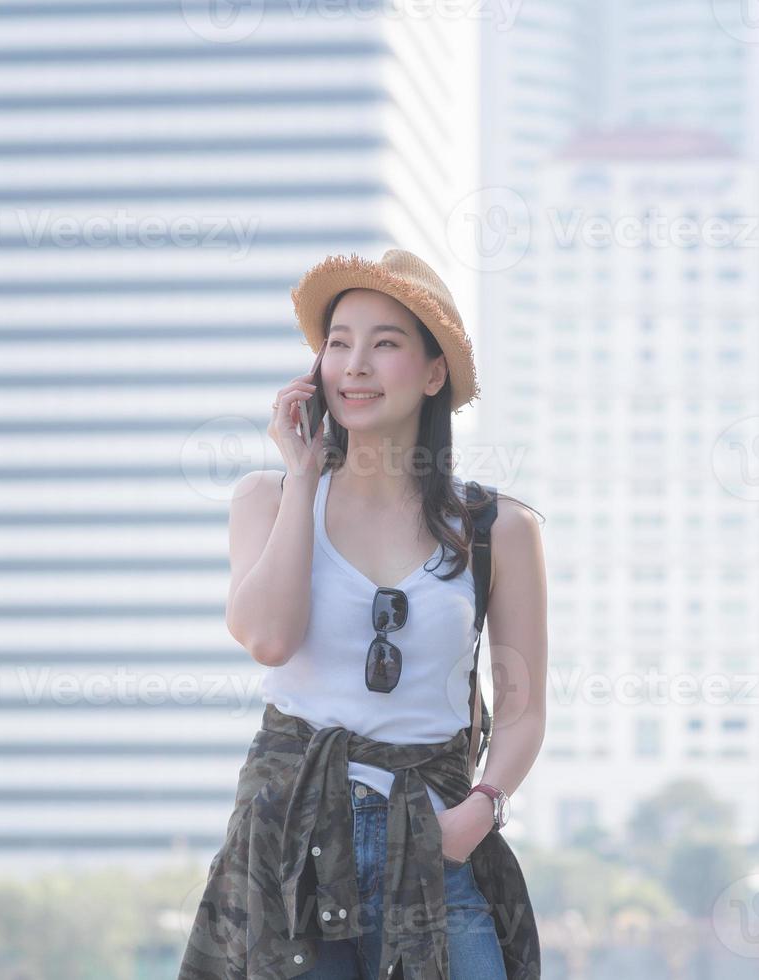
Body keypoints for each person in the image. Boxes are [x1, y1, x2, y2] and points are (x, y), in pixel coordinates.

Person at [184, 249, 547, 979]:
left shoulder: (497, 527)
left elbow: (523, 709)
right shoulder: (268, 498)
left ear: (434, 371)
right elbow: (268, 636)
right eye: (339, 343)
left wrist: (479, 811)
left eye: (385, 344)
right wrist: (303, 475)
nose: (355, 365)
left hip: (434, 840)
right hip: (290, 851)